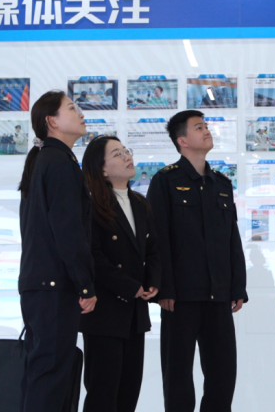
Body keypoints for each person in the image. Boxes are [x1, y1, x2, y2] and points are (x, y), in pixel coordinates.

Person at [147, 110, 247, 412]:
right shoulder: (165, 181)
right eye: (199, 127)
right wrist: (164, 288)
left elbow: (232, 239)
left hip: (218, 295)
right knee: (177, 375)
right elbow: (157, 238)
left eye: (206, 126)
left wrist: (237, 287)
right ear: (182, 141)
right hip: (180, 297)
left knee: (223, 375)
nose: (206, 131)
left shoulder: (221, 183)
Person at [18, 90, 96, 412]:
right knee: (50, 380)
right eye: (72, 108)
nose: (81, 114)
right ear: (52, 121)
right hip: (53, 288)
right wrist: (85, 284)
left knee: (45, 376)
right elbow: (68, 231)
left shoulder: (45, 160)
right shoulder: (59, 163)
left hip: (41, 286)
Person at [79, 136, 161, 412]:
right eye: (117, 154)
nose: (127, 156)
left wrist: (152, 283)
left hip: (135, 313)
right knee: (103, 393)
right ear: (101, 169)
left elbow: (152, 249)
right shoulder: (91, 204)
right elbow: (92, 255)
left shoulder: (140, 202)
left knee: (129, 392)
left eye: (126, 151)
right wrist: (128, 286)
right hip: (104, 313)